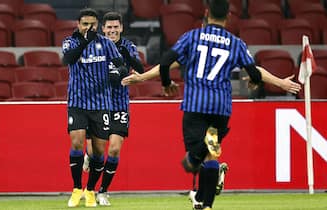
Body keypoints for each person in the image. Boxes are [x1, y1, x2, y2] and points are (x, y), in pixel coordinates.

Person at [122, 0, 301, 209]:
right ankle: (204, 202)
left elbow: (169, 62)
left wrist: (144, 78)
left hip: (196, 106)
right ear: (229, 17)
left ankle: (197, 169)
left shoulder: (192, 38)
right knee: (212, 153)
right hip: (220, 109)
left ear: (206, 13)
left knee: (195, 157)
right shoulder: (235, 43)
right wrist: (280, 82)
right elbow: (254, 70)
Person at [62, 8, 128, 207]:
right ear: (78, 25)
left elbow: (121, 66)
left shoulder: (106, 44)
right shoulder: (70, 42)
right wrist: (85, 40)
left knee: (98, 151)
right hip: (77, 102)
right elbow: (68, 59)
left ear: (97, 25)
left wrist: (116, 74)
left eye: (92, 24)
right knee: (77, 142)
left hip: (101, 104)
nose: (88, 27)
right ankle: (75, 189)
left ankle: (90, 190)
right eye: (85, 24)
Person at [82, 11, 144, 206]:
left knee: (115, 149)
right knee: (96, 153)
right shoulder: (94, 46)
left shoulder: (128, 46)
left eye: (116, 27)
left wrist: (127, 59)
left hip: (119, 104)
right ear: (103, 29)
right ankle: (88, 156)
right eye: (109, 27)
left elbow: (140, 69)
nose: (112, 30)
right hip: (98, 104)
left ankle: (103, 192)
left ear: (121, 28)